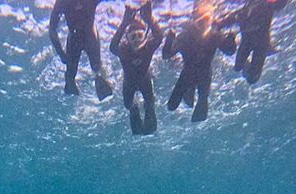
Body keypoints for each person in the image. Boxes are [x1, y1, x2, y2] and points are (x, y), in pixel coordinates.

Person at [162, 6, 236, 122]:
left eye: (206, 20)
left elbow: (230, 51)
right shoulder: (185, 37)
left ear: (211, 20)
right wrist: (169, 40)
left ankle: (190, 97)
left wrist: (231, 39)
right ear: (193, 22)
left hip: (203, 74)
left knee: (201, 103)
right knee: (172, 106)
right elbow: (166, 55)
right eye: (199, 21)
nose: (203, 25)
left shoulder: (215, 36)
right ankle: (189, 95)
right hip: (188, 73)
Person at [110, 1, 163, 135]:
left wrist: (149, 19)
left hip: (145, 80)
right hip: (129, 83)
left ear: (145, 36)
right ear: (127, 38)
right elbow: (112, 47)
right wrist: (124, 23)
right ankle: (135, 109)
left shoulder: (148, 47)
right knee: (128, 105)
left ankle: (146, 109)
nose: (137, 39)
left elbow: (159, 36)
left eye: (140, 35)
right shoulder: (124, 50)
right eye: (133, 36)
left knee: (150, 104)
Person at [49, 0, 113, 100]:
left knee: (96, 66)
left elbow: (52, 29)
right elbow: (52, 29)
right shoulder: (62, 2)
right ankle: (72, 87)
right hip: (75, 37)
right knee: (71, 72)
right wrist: (60, 53)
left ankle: (101, 79)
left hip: (89, 36)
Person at [216, 0, 288, 84]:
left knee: (244, 70)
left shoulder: (259, 8)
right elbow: (230, 19)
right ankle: (247, 68)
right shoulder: (249, 11)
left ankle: (247, 68)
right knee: (242, 69)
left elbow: (230, 19)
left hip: (255, 42)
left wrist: (221, 26)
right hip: (256, 42)